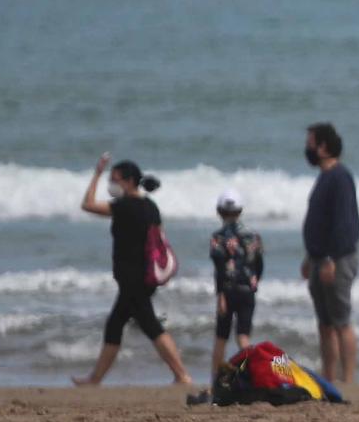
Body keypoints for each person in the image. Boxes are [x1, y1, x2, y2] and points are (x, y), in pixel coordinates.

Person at [72, 156, 195, 386]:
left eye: (114, 179)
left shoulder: (125, 206)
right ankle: (95, 379)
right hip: (144, 277)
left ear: (128, 181)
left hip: (134, 279)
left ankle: (182, 375)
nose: (111, 184)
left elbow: (87, 204)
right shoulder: (150, 206)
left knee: (150, 326)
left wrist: (97, 173)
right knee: (116, 325)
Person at [302, 122, 359, 385]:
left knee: (341, 321)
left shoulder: (340, 177)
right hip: (319, 260)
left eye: (311, 143)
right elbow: (319, 222)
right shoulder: (324, 177)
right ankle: (329, 377)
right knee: (324, 324)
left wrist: (329, 259)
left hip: (336, 261)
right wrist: (310, 256)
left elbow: (343, 224)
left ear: (323, 147)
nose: (308, 148)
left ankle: (348, 379)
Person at [208, 188, 263, 380]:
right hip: (248, 290)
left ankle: (215, 380)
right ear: (240, 211)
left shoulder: (218, 238)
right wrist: (254, 284)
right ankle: (253, 374)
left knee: (221, 338)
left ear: (219, 211)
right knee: (243, 336)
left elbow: (220, 269)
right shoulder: (253, 236)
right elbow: (259, 265)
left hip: (228, 291)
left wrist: (220, 295)